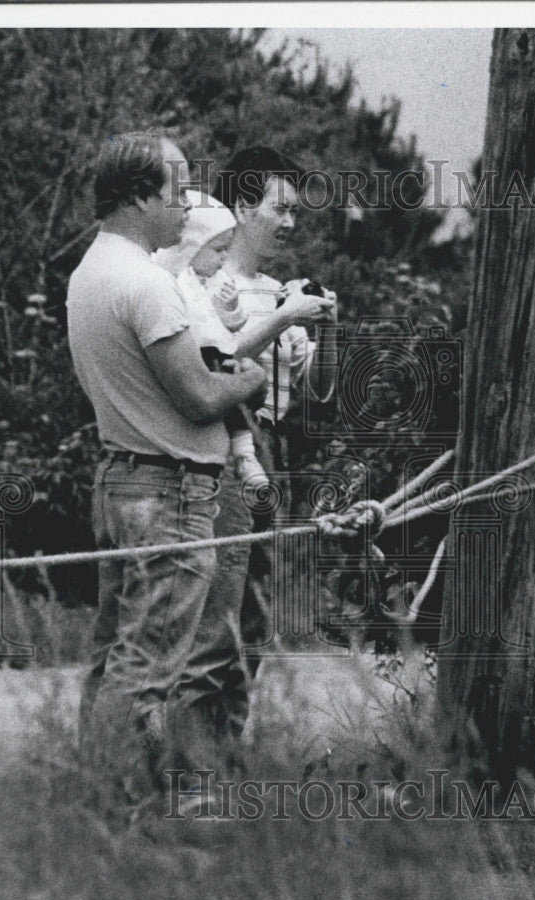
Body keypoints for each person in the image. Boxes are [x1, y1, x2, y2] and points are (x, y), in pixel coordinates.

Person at [66, 131, 266, 791]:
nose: (187, 207)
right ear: (141, 194)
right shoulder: (144, 283)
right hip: (169, 493)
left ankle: (98, 799)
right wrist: (252, 378)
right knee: (147, 666)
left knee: (114, 655)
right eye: (177, 191)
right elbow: (201, 393)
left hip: (121, 478)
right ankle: (119, 812)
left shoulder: (90, 271)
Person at [184, 146, 338, 736]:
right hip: (223, 451)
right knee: (218, 603)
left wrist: (322, 329)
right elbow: (213, 359)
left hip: (270, 447)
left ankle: (224, 750)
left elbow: (317, 391)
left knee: (256, 608)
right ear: (244, 205)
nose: (290, 222)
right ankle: (192, 763)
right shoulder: (206, 279)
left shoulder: (279, 290)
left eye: (295, 211)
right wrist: (280, 320)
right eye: (280, 207)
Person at [155, 191, 267, 487]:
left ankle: (245, 454)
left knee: (234, 396)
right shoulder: (174, 283)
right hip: (193, 358)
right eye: (218, 249)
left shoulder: (218, 282)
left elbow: (235, 324)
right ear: (192, 246)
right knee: (219, 395)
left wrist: (229, 309)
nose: (223, 258)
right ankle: (242, 454)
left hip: (219, 355)